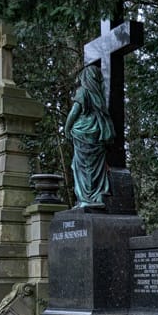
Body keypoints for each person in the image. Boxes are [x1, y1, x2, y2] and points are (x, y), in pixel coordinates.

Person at [65, 64, 114, 208]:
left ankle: (86, 198)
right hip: (97, 133)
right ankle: (97, 195)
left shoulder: (83, 92)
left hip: (82, 133)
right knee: (95, 168)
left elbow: (74, 112)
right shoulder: (98, 95)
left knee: (82, 167)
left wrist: (67, 128)